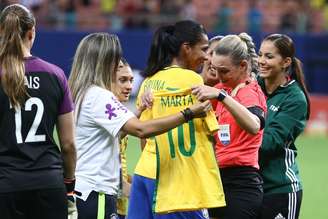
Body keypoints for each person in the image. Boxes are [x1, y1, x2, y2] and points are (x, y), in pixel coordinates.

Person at [68, 32, 211, 219]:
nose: (116, 65)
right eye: (114, 59)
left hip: (82, 189)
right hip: (96, 193)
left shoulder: (80, 93)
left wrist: (140, 109)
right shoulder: (99, 96)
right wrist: (188, 113)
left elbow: (112, 134)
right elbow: (140, 129)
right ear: (103, 61)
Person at [127, 20, 226, 219]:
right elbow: (215, 136)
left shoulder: (149, 82)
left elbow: (144, 136)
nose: (207, 57)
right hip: (178, 182)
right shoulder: (194, 81)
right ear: (186, 48)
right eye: (204, 49)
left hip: (145, 173)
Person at [0, 4, 76, 219]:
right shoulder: (56, 75)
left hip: (6, 185)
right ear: (32, 32)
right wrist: (69, 186)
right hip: (49, 184)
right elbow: (68, 145)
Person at [191, 33, 267, 219]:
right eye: (215, 70)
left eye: (224, 71)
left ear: (243, 66)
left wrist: (222, 98)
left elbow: (254, 125)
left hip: (241, 183)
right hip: (216, 179)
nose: (218, 76)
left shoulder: (249, 91)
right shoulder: (223, 90)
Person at [257, 34, 310, 219]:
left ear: (286, 62)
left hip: (279, 189)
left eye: (269, 56)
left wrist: (235, 140)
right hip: (249, 187)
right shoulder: (252, 86)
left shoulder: (295, 98)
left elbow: (270, 143)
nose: (261, 61)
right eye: (260, 54)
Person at [113, 58, 135, 219]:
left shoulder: (119, 111)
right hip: (108, 198)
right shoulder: (105, 113)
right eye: (123, 80)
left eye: (131, 80)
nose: (129, 86)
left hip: (119, 203)